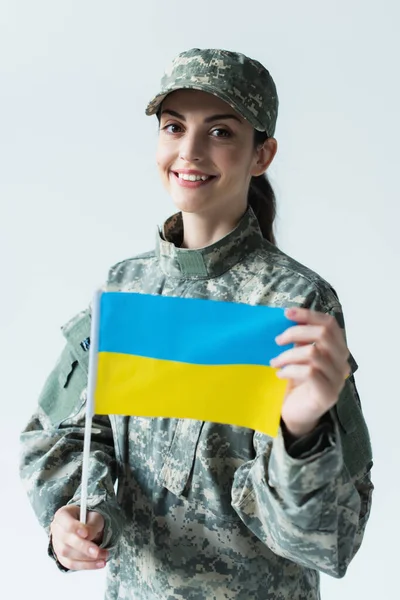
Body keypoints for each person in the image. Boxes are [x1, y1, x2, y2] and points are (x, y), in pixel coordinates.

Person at [20, 48, 373, 600]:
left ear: (262, 153)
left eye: (221, 132)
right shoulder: (125, 289)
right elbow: (62, 437)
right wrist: (76, 516)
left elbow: (332, 542)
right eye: (173, 127)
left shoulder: (296, 304)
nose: (189, 151)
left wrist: (301, 435)